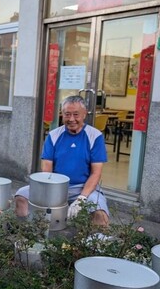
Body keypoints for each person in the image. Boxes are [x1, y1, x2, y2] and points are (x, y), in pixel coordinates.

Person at [15, 95, 110, 227]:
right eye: (67, 114)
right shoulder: (54, 135)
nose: (71, 119)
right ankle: (28, 234)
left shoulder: (95, 136)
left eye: (76, 114)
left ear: (84, 114)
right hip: (55, 186)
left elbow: (96, 173)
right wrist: (49, 192)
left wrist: (82, 198)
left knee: (100, 213)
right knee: (21, 196)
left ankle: (95, 245)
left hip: (83, 187)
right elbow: (46, 169)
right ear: (62, 114)